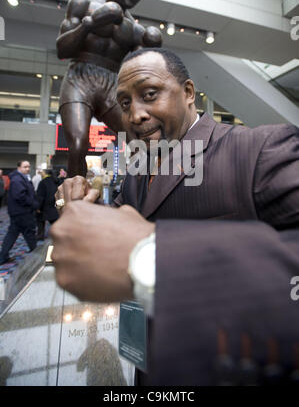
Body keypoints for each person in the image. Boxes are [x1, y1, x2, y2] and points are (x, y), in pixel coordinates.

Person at [51, 48, 299, 385]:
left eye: (149, 94)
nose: (135, 114)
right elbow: (127, 223)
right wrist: (86, 209)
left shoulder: (260, 151)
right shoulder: (138, 171)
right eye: (124, 104)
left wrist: (153, 256)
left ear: (188, 93)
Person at [56, 0, 162, 178]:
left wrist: (153, 50)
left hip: (112, 84)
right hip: (79, 78)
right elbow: (62, 50)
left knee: (141, 141)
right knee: (77, 144)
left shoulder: (134, 30)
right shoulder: (83, 2)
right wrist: (89, 25)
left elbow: (141, 74)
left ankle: (137, 199)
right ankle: (75, 205)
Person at [0, 161, 38, 265]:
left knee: (12, 234)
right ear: (19, 168)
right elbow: (20, 196)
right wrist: (34, 204)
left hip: (18, 211)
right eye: (25, 167)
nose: (27, 169)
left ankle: (3, 257)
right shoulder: (17, 179)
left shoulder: (22, 178)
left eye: (28, 167)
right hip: (22, 211)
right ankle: (37, 255)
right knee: (29, 232)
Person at [36, 169, 59, 241]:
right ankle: (59, 234)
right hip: (54, 204)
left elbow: (40, 196)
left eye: (42, 172)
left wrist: (38, 207)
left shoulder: (43, 182)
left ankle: (40, 235)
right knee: (55, 221)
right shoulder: (56, 181)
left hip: (44, 206)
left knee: (40, 221)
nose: (41, 173)